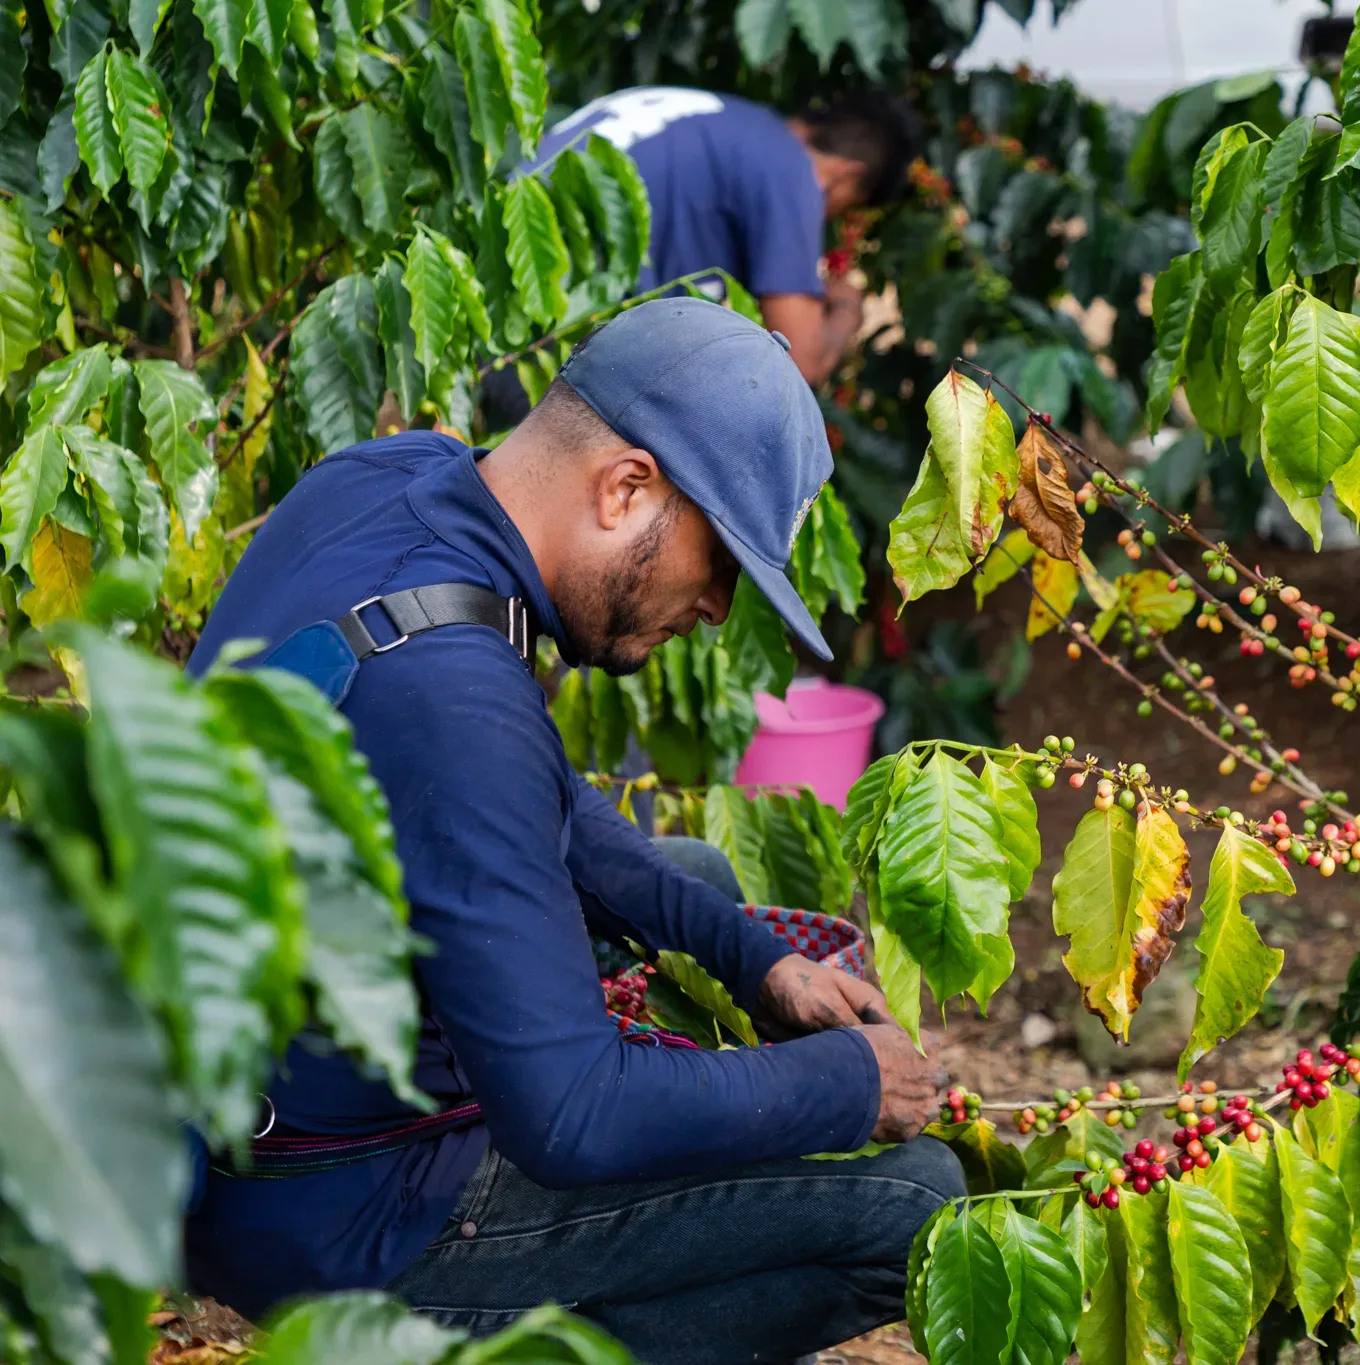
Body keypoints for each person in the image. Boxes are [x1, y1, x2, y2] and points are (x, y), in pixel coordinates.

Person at [183, 299, 958, 1363]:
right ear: (626, 487)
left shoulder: (387, 481)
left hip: (226, 1097)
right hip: (336, 1218)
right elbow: (572, 1115)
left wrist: (752, 959)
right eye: (721, 560)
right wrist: (849, 1084)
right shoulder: (455, 703)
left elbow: (539, 796)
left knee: (688, 881)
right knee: (916, 1199)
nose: (719, 608)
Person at [525, 86, 920, 386]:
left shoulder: (717, 117)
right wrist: (846, 311)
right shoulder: (791, 172)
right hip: (540, 334)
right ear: (847, 177)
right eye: (844, 209)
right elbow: (802, 363)